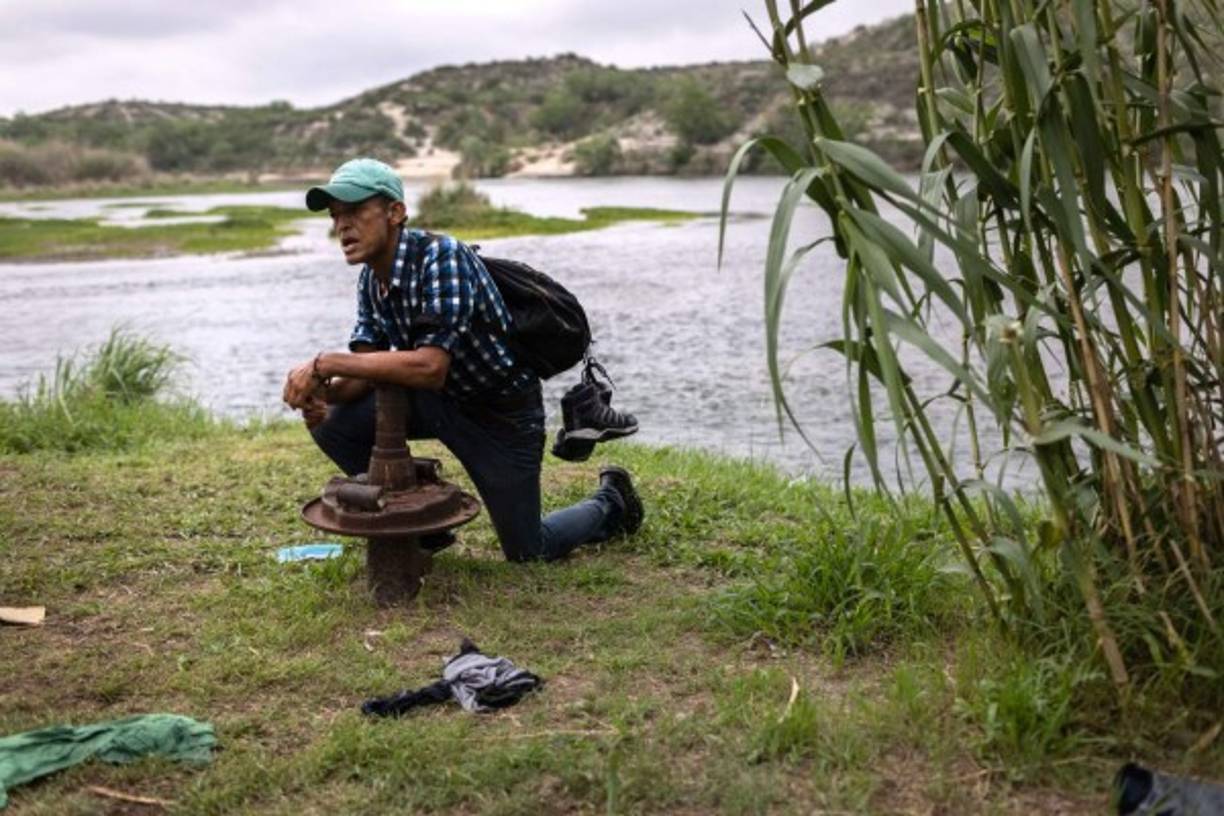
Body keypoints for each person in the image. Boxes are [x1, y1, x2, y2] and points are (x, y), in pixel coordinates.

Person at [282, 158, 643, 562]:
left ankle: (613, 501)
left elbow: (430, 367)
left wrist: (325, 364)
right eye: (336, 217)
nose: (342, 226)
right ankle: (423, 529)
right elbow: (365, 374)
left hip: (500, 414)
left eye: (355, 211)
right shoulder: (371, 279)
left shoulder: (443, 257)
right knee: (334, 423)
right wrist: (324, 395)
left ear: (395, 212)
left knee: (529, 550)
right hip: (436, 403)